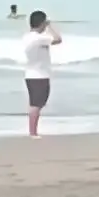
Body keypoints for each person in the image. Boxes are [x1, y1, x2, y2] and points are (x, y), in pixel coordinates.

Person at [22, 10, 62, 138]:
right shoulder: (39, 38)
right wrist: (50, 26)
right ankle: (33, 132)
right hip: (38, 75)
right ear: (42, 23)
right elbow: (58, 39)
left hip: (33, 74)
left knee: (37, 104)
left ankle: (33, 131)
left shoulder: (28, 36)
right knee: (36, 104)